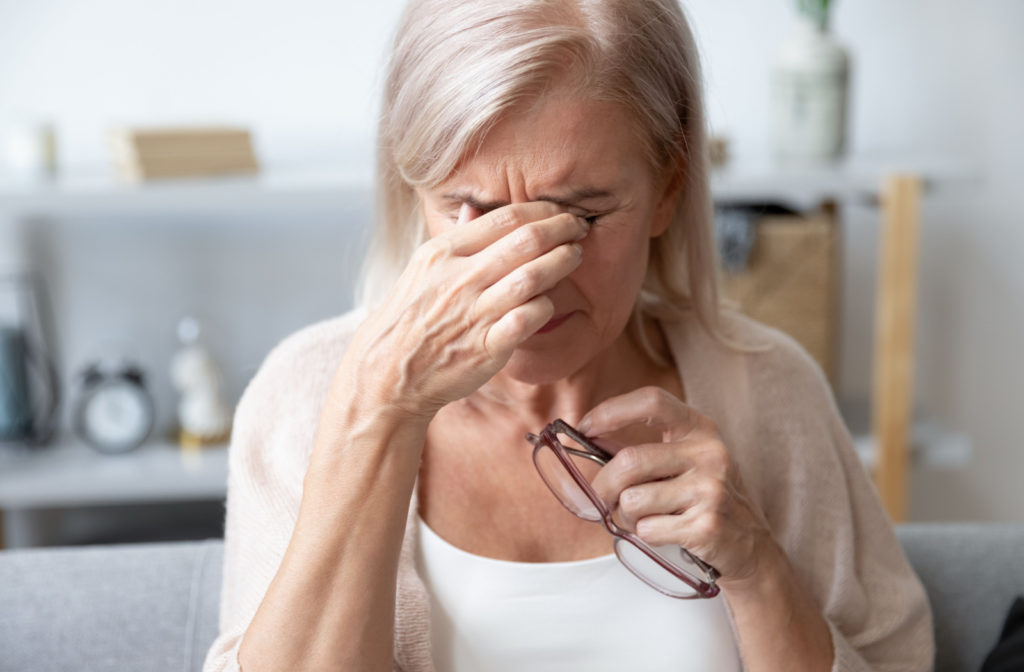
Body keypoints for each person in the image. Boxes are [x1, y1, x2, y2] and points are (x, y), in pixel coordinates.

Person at [204, 1, 935, 670]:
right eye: (471, 209)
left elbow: (896, 659)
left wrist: (759, 567)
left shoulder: (769, 388)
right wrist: (379, 412)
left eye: (580, 216)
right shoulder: (306, 393)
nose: (529, 280)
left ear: (669, 184)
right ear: (412, 186)